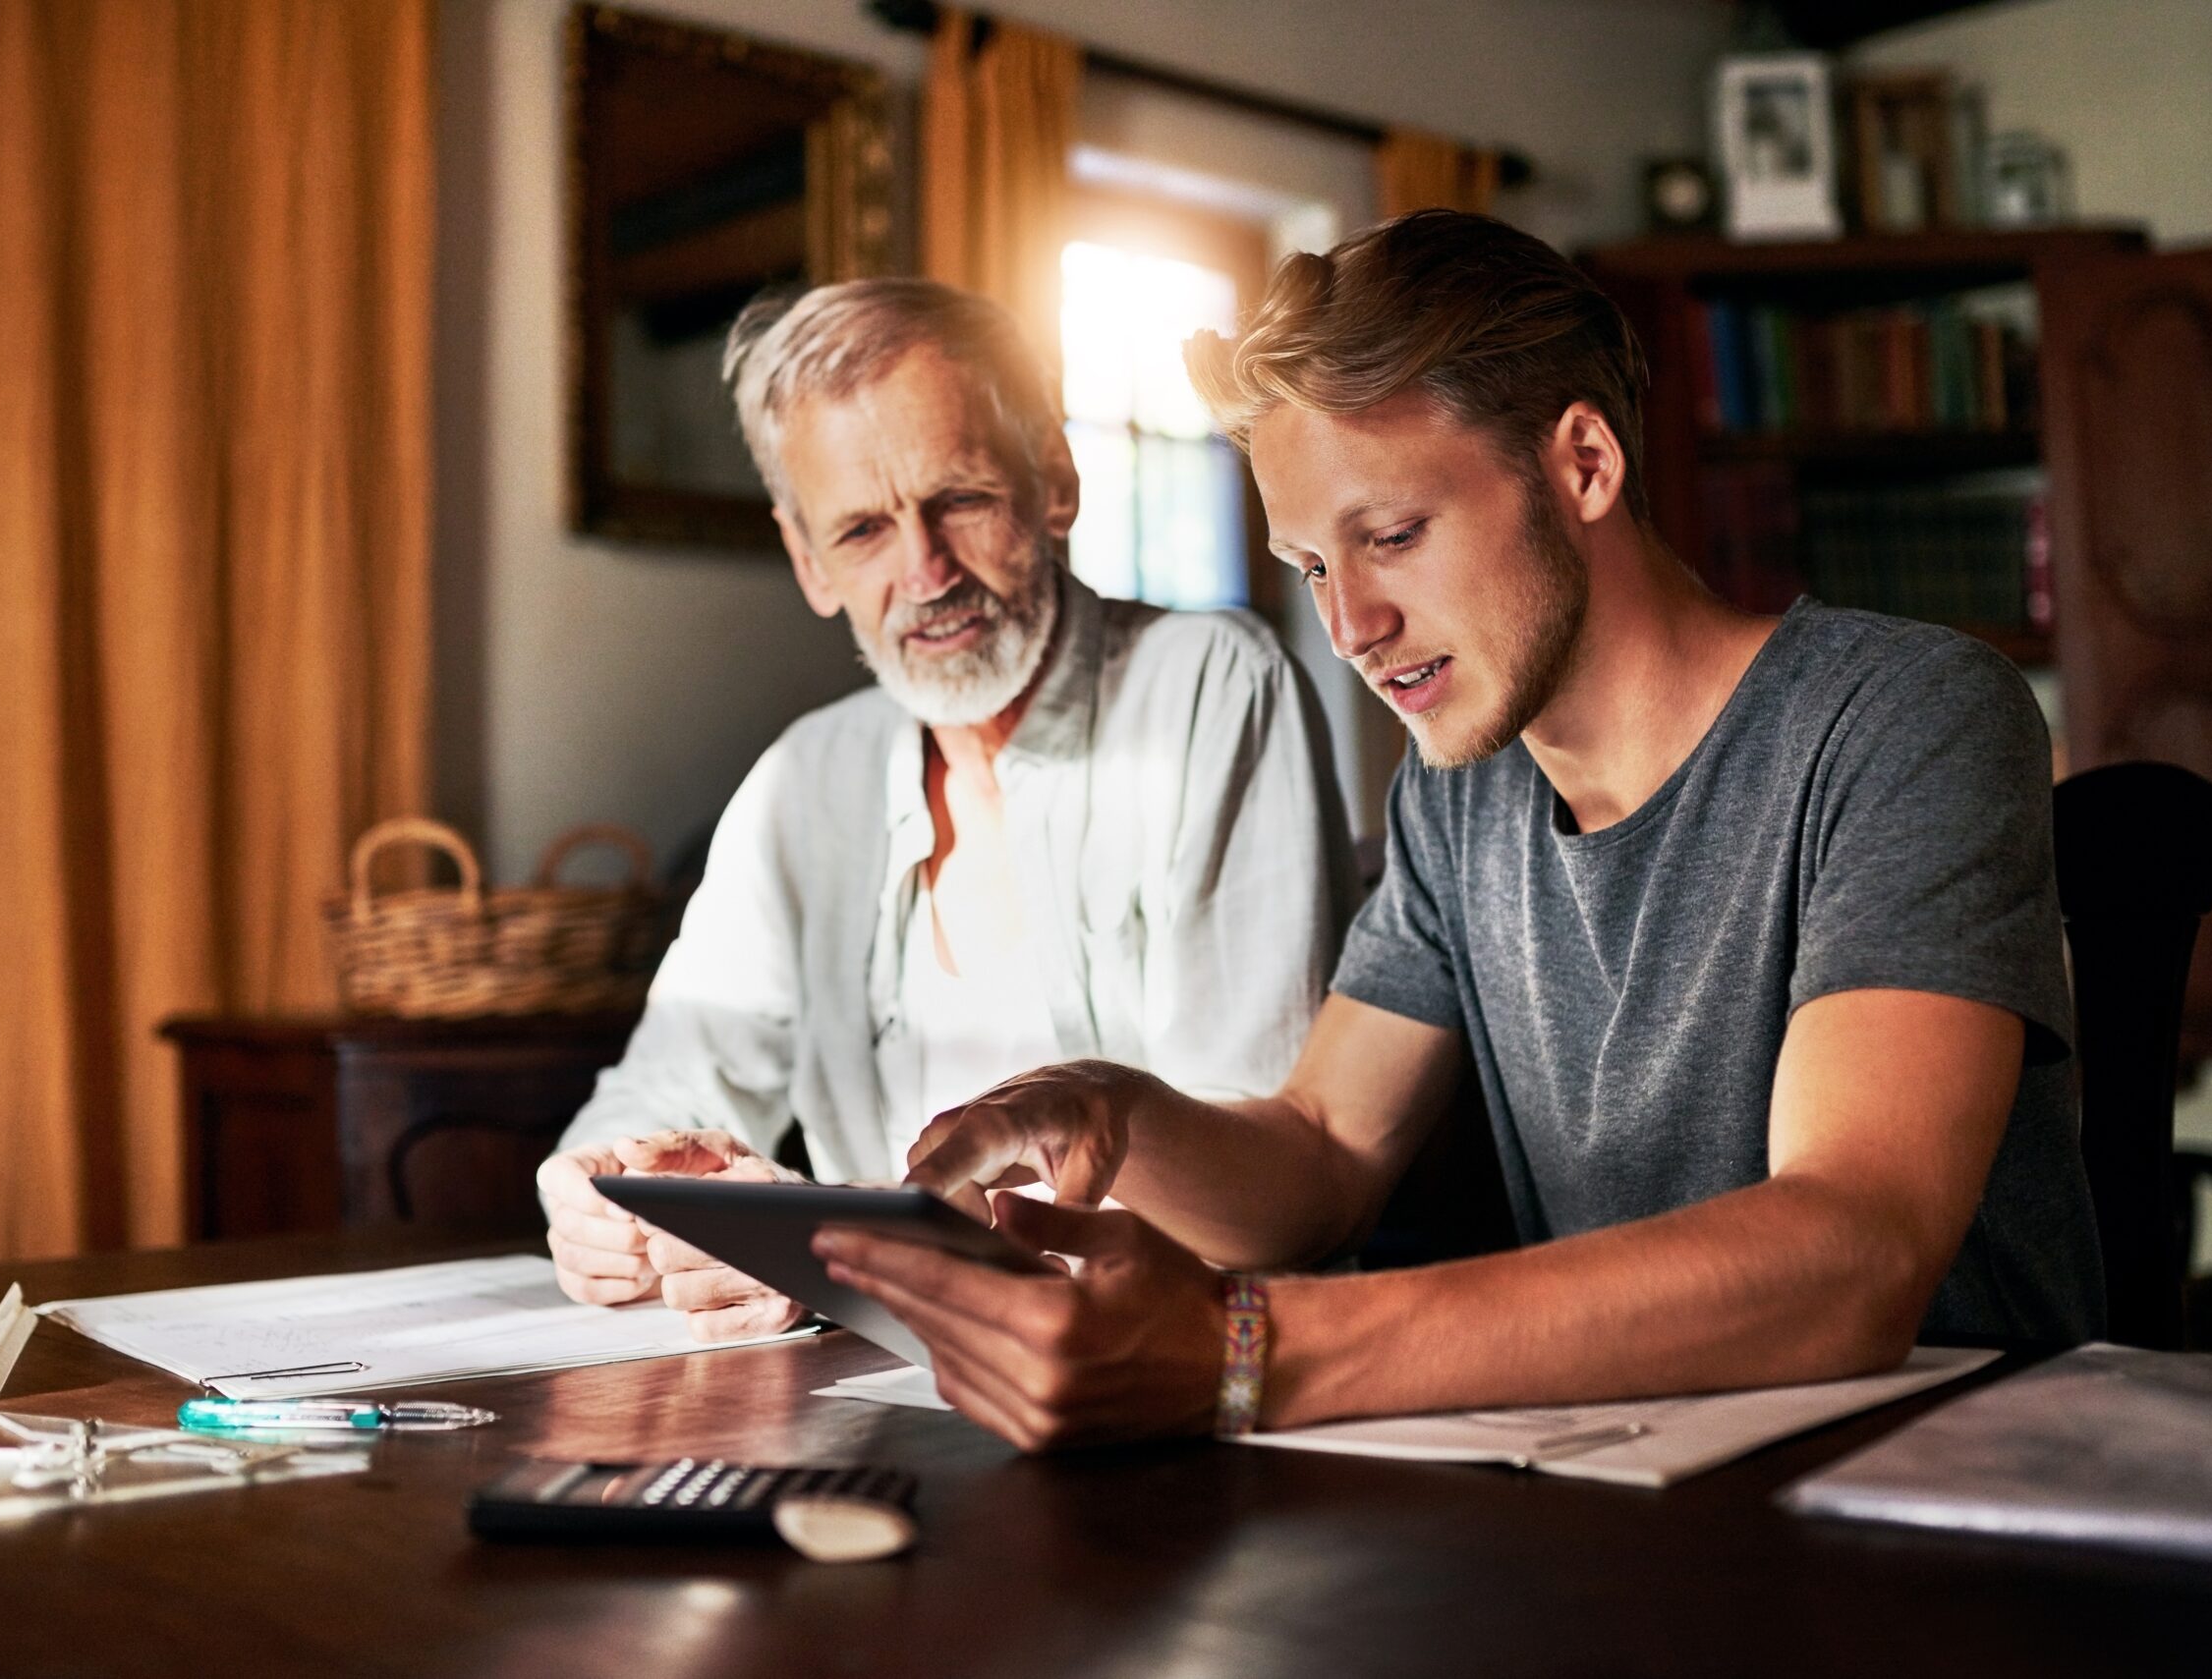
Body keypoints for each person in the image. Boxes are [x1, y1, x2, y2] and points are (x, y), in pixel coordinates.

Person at [816, 211, 2106, 1450]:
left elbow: (1852, 1250)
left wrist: (1244, 1345)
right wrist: (1103, 1106)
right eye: (1314, 565)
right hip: (1642, 1489)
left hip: (1950, 1496)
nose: (1349, 626)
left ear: (1584, 464)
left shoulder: (1910, 717)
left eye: (1392, 536)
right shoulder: (1457, 794)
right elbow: (1320, 1153)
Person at [538, 278, 1356, 1342]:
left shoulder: (1210, 685)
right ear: (807, 560)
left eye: (960, 499)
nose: (925, 571)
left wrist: (840, 1245)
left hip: (1182, 1378)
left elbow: (1254, 1194)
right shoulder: (803, 780)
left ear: (1053, 480)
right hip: (890, 1390)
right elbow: (660, 1088)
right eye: (864, 528)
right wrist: (600, 1197)